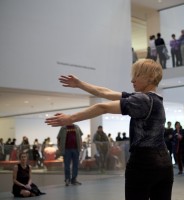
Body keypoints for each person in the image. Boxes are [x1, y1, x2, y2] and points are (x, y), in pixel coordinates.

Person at [45, 59, 174, 200]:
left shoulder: (141, 100)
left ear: (149, 77)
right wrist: (80, 84)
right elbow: (105, 92)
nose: (132, 80)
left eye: (136, 75)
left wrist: (70, 119)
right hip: (164, 163)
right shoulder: (156, 99)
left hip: (144, 163)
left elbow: (103, 107)